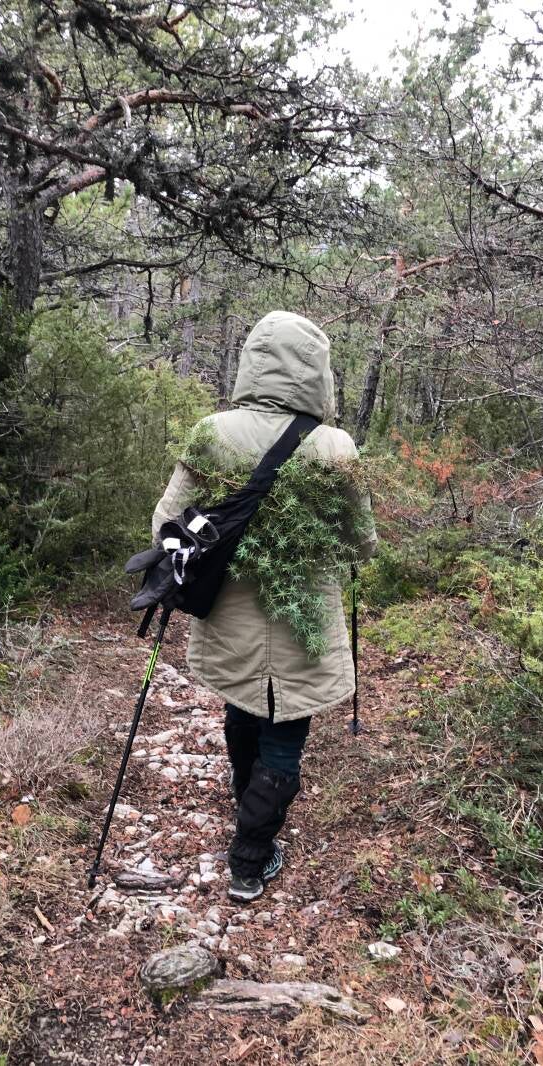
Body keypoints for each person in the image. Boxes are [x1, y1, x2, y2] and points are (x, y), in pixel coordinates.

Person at [151, 310, 377, 903]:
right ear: (317, 371)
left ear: (252, 361)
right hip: (306, 623)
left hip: (229, 615)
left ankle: (245, 797)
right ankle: (250, 858)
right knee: (286, 729)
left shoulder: (213, 432)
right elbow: (362, 542)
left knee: (242, 704)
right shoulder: (335, 445)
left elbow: (164, 525)